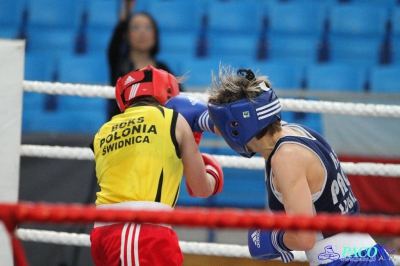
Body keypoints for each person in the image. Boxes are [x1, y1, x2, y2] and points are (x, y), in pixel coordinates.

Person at [165, 66, 394, 266]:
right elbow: (241, 121)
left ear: (238, 127)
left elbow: (304, 238)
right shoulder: (288, 132)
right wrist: (201, 119)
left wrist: (274, 238)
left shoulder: (286, 158)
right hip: (357, 255)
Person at [89, 65, 224, 266]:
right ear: (168, 91)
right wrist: (213, 174)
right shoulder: (173, 120)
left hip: (102, 234)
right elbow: (201, 188)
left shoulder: (103, 131)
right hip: (141, 231)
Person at [107, 0, 181, 120]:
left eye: (148, 28)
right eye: (135, 27)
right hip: (123, 130)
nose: (142, 33)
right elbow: (114, 48)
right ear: (127, 34)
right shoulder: (119, 64)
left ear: (155, 35)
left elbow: (180, 99)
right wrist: (126, 14)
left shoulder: (163, 68)